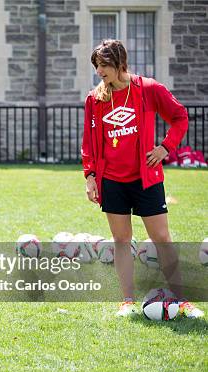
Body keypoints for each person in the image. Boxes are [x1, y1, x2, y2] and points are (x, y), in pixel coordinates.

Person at [81, 39, 204, 318]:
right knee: (121, 239)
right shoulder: (95, 99)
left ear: (120, 63)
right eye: (97, 66)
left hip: (146, 178)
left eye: (104, 65)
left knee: (161, 237)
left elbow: (180, 117)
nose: (100, 72)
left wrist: (164, 148)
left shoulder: (148, 89)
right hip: (111, 179)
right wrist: (90, 176)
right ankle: (126, 301)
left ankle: (182, 300)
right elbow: (89, 142)